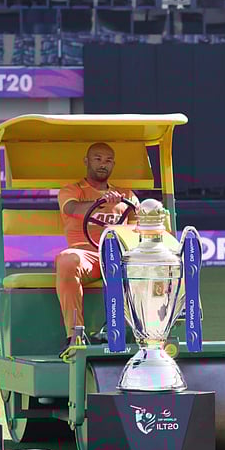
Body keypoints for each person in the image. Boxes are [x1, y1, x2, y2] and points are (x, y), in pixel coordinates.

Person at [56, 142, 139, 357]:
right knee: (67, 260)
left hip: (119, 255)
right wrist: (100, 202)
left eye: (108, 160)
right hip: (87, 254)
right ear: (87, 161)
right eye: (98, 159)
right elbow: (72, 209)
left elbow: (138, 227)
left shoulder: (126, 195)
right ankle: (75, 335)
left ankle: (143, 334)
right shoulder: (73, 190)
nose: (103, 164)